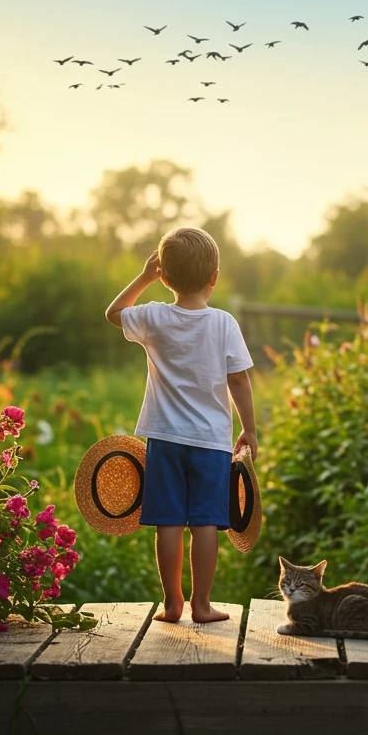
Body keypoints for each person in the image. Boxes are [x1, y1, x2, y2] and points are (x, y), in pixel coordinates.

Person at [105, 227, 257, 623]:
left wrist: (143, 277)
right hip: (211, 442)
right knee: (207, 521)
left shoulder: (154, 316)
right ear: (214, 278)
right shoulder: (223, 323)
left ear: (165, 277)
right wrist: (250, 429)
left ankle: (172, 603)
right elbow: (239, 379)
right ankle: (201, 605)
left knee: (168, 522)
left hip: (166, 438)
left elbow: (113, 313)